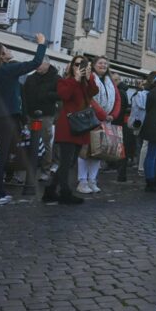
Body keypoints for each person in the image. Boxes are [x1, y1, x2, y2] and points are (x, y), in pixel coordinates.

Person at [0, 34, 47, 204]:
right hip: (5, 118)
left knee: (0, 156)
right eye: (6, 50)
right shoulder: (6, 70)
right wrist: (42, 44)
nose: (9, 51)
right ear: (1, 56)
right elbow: (35, 63)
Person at [44, 56, 105, 205]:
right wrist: (75, 79)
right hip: (68, 126)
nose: (80, 67)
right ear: (71, 66)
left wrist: (89, 76)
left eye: (82, 65)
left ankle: (50, 190)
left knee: (70, 163)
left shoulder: (85, 84)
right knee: (65, 162)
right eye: (77, 64)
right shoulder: (64, 81)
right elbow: (64, 95)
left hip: (80, 127)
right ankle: (65, 192)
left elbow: (93, 92)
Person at [79, 55, 121, 193]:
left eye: (105, 63)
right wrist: (103, 115)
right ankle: (82, 181)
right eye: (100, 63)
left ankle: (92, 180)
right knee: (85, 152)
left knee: (99, 152)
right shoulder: (90, 78)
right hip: (91, 119)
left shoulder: (110, 81)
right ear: (94, 65)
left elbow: (117, 99)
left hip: (106, 121)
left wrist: (113, 115)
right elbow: (89, 98)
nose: (103, 65)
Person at [23, 59, 62, 182]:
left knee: (45, 141)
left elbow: (61, 94)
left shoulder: (56, 78)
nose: (38, 66)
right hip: (30, 113)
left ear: (48, 64)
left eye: (40, 63)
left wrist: (48, 95)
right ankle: (28, 170)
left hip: (46, 114)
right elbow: (24, 95)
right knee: (28, 142)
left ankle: (45, 169)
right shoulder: (30, 78)